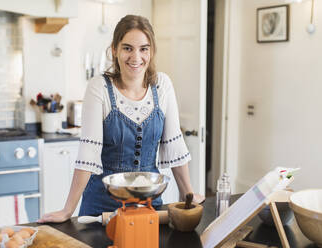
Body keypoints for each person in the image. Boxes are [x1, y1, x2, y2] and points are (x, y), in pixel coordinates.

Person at [38, 14, 205, 223]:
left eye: (143, 48)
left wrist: (187, 196)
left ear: (151, 51)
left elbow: (175, 145)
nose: (136, 57)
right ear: (114, 50)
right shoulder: (99, 87)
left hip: (150, 205)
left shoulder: (162, 85)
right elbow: (88, 154)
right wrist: (67, 210)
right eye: (128, 48)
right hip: (101, 207)